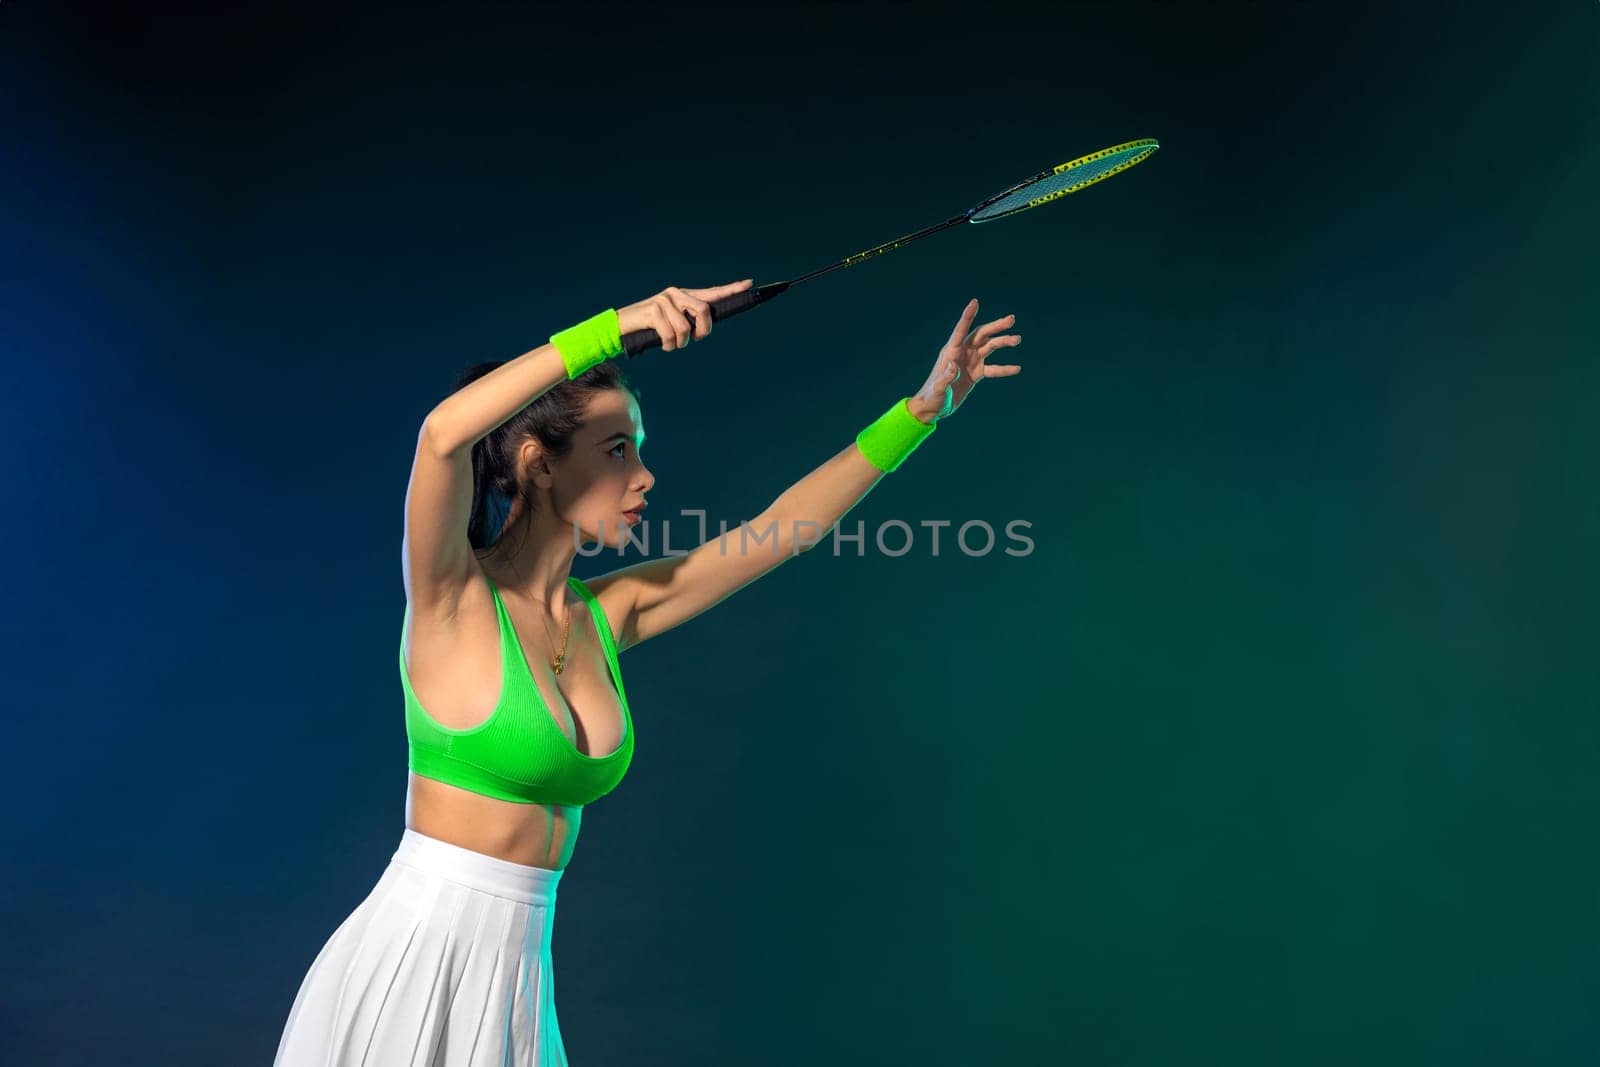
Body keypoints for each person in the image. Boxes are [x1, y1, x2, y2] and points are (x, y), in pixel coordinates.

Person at [272, 279, 1023, 1065]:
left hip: (520, 979)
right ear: (539, 464)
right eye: (616, 449)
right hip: (415, 964)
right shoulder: (451, 597)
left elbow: (777, 534)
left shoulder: (610, 611)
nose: (646, 477)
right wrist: (618, 326)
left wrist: (919, 413)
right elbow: (440, 437)